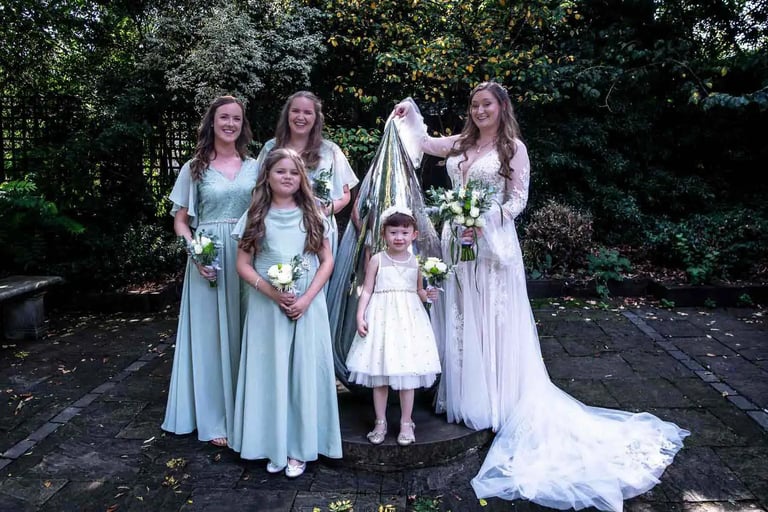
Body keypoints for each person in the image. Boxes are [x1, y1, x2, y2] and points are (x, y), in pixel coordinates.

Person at [393, 82, 689, 511]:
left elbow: (517, 201)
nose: (479, 110)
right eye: (474, 105)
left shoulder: (515, 148)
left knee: (495, 319)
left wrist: (484, 218)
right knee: (461, 316)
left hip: (492, 245)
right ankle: (469, 393)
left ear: (501, 107)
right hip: (457, 244)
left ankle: (499, 400)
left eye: (486, 104)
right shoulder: (460, 143)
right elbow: (422, 142)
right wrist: (407, 111)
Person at [230, 147, 342, 478]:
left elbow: (327, 261)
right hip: (268, 304)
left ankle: (300, 448)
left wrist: (306, 299)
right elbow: (243, 264)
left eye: (294, 173)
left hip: (307, 305)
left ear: (302, 178)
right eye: (281, 171)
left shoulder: (313, 214)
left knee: (303, 373)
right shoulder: (254, 215)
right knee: (271, 372)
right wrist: (272, 292)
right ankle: (270, 443)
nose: (288, 177)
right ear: (267, 175)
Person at [162, 96, 259, 448]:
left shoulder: (255, 164)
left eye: (236, 118)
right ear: (212, 122)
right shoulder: (195, 167)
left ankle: (247, 410)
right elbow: (181, 221)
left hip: (248, 254)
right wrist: (196, 254)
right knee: (212, 338)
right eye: (224, 118)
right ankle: (214, 416)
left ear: (242, 124)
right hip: (211, 258)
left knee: (247, 332)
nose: (230, 123)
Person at [345, 206, 441, 446]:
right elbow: (366, 290)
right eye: (393, 232)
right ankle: (381, 421)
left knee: (406, 372)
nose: (399, 237)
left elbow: (419, 290)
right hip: (382, 319)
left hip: (408, 321)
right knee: (380, 373)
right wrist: (360, 316)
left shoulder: (417, 262)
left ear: (414, 235)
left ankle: (406, 422)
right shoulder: (377, 259)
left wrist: (428, 295)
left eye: (404, 232)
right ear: (384, 234)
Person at [254, 91, 359, 259]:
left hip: (317, 229)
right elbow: (258, 189)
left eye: (307, 112)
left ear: (316, 118)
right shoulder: (270, 149)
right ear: (287, 114)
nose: (300, 117)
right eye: (295, 111)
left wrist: (321, 213)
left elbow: (345, 195)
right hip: (277, 226)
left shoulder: (330, 151)